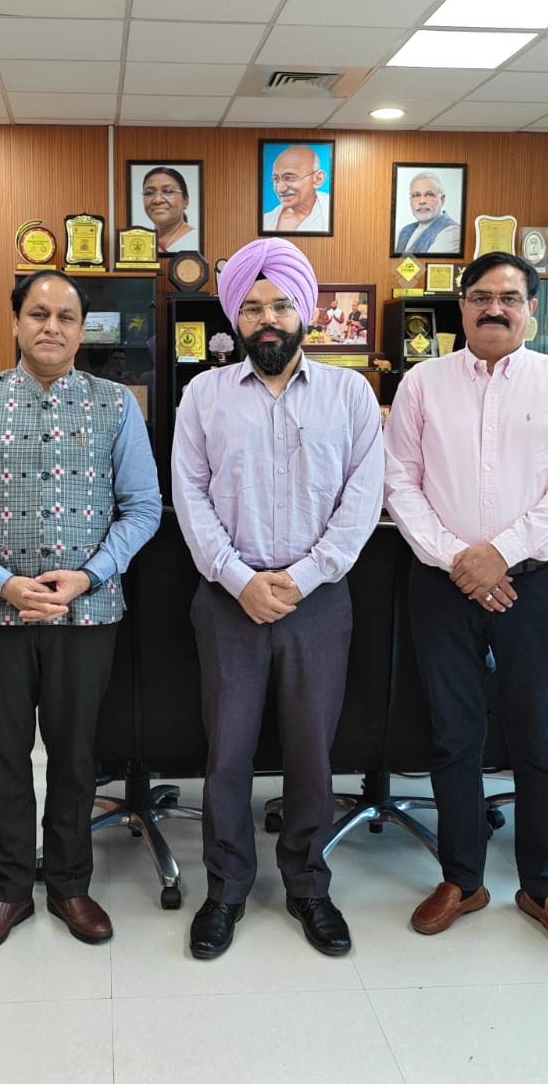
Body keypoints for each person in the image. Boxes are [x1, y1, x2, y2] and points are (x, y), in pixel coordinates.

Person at [0, 270, 161, 954]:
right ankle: (7, 891)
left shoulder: (116, 405)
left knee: (76, 754)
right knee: (4, 754)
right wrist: (3, 583)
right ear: (16, 323)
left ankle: (68, 884)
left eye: (65, 316)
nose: (51, 326)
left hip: (87, 612)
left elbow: (142, 508)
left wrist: (88, 575)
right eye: (38, 314)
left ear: (82, 330)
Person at [382, 251, 548, 954]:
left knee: (539, 736)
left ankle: (543, 885)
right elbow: (399, 481)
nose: (494, 308)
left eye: (509, 297)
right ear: (462, 307)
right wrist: (459, 559)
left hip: (532, 583)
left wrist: (499, 554)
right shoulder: (422, 382)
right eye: (480, 296)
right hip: (441, 585)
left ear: (532, 308)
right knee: (454, 734)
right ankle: (462, 879)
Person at [173, 237, 383, 960]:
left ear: (306, 313)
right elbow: (190, 497)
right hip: (229, 598)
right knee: (226, 752)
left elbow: (363, 497)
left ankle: (308, 884)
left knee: (312, 752)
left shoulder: (350, 395)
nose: (268, 318)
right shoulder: (203, 396)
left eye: (282, 304)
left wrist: (307, 576)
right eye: (253, 306)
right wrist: (240, 579)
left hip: (316, 599)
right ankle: (226, 888)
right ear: (235, 317)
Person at [261, 145, 331, 234]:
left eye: (289, 178)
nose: (280, 189)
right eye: (276, 179)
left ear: (318, 179)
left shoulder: (333, 211)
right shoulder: (266, 220)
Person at [394, 171, 462, 256]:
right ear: (410, 200)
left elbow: (429, 263)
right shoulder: (403, 231)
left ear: (442, 199)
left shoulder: (452, 232)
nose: (422, 201)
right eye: (416, 195)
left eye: (429, 194)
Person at [141, 166, 197, 253]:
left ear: (185, 200)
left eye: (168, 191)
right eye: (149, 193)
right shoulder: (141, 243)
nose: (157, 200)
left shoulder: (197, 239)